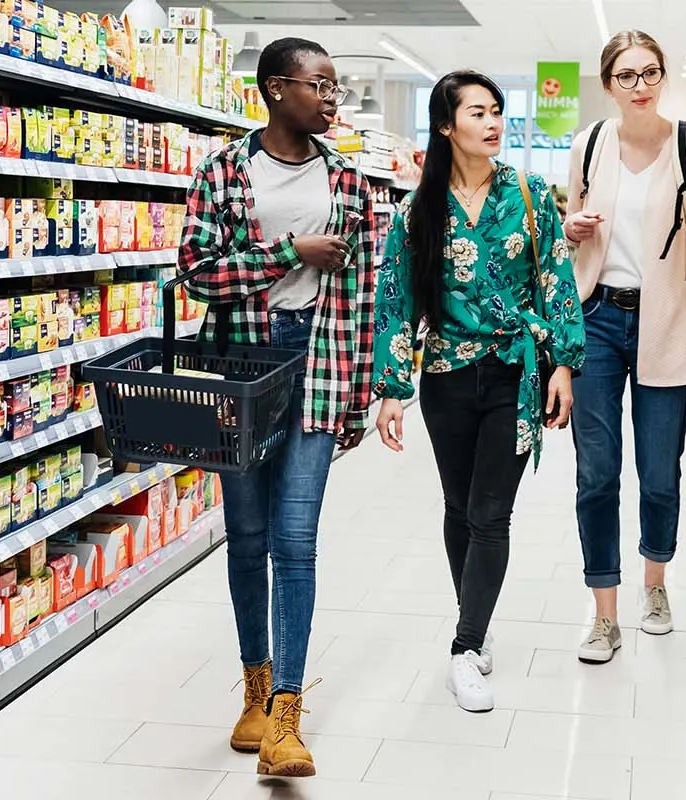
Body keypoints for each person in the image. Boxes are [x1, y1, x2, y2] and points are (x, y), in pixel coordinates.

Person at [179, 36, 381, 777]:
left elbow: (362, 297)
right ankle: (254, 692)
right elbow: (197, 273)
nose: (332, 98)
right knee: (248, 536)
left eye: (336, 85)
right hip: (241, 367)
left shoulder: (352, 184)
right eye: (319, 84)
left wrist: (358, 398)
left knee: (296, 540)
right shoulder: (225, 170)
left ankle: (287, 718)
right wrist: (289, 253)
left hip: (321, 365)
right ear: (274, 89)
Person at [372, 70, 586, 713]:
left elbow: (556, 278)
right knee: (458, 507)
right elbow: (396, 299)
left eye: (497, 111)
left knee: (492, 513)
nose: (493, 123)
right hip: (444, 376)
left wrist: (563, 365)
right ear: (446, 126)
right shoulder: (418, 210)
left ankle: (465, 649)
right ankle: (479, 616)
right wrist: (390, 387)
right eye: (477, 113)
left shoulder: (531, 195)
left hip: (514, 376)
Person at [559, 30, 686, 664]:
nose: (640, 86)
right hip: (596, 320)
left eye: (650, 73)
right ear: (608, 85)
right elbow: (568, 242)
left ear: (662, 78)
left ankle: (654, 586)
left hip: (665, 322)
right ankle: (603, 613)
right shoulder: (589, 147)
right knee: (596, 473)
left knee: (659, 473)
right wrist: (570, 228)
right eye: (627, 76)